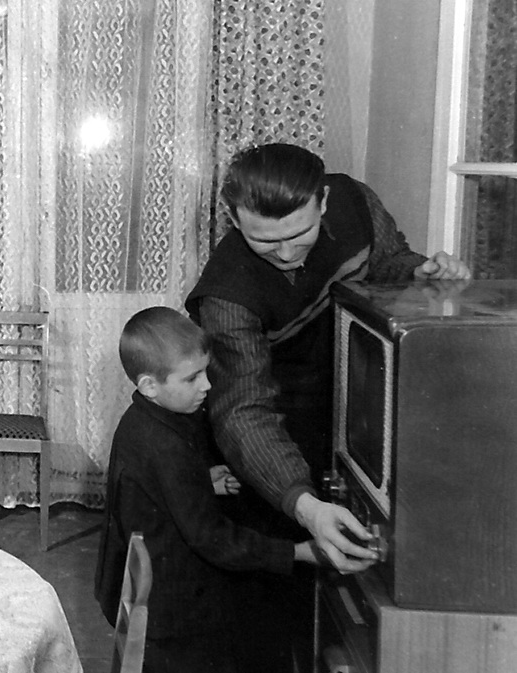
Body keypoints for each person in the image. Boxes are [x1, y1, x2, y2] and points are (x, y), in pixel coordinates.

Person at [184, 143, 471, 672]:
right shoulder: (225, 294)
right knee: (272, 612)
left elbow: (388, 263)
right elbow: (244, 410)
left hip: (346, 419)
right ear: (233, 219)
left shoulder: (357, 203)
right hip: (270, 442)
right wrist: (304, 505)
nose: (286, 254)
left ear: (323, 200)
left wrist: (423, 273)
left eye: (299, 235)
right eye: (264, 241)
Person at [93, 306, 318, 673]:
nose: (207, 386)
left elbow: (152, 486)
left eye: (206, 372)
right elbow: (212, 539)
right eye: (192, 378)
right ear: (149, 385)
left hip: (137, 586)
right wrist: (297, 552)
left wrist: (202, 480)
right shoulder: (166, 447)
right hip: (172, 614)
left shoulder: (139, 420)